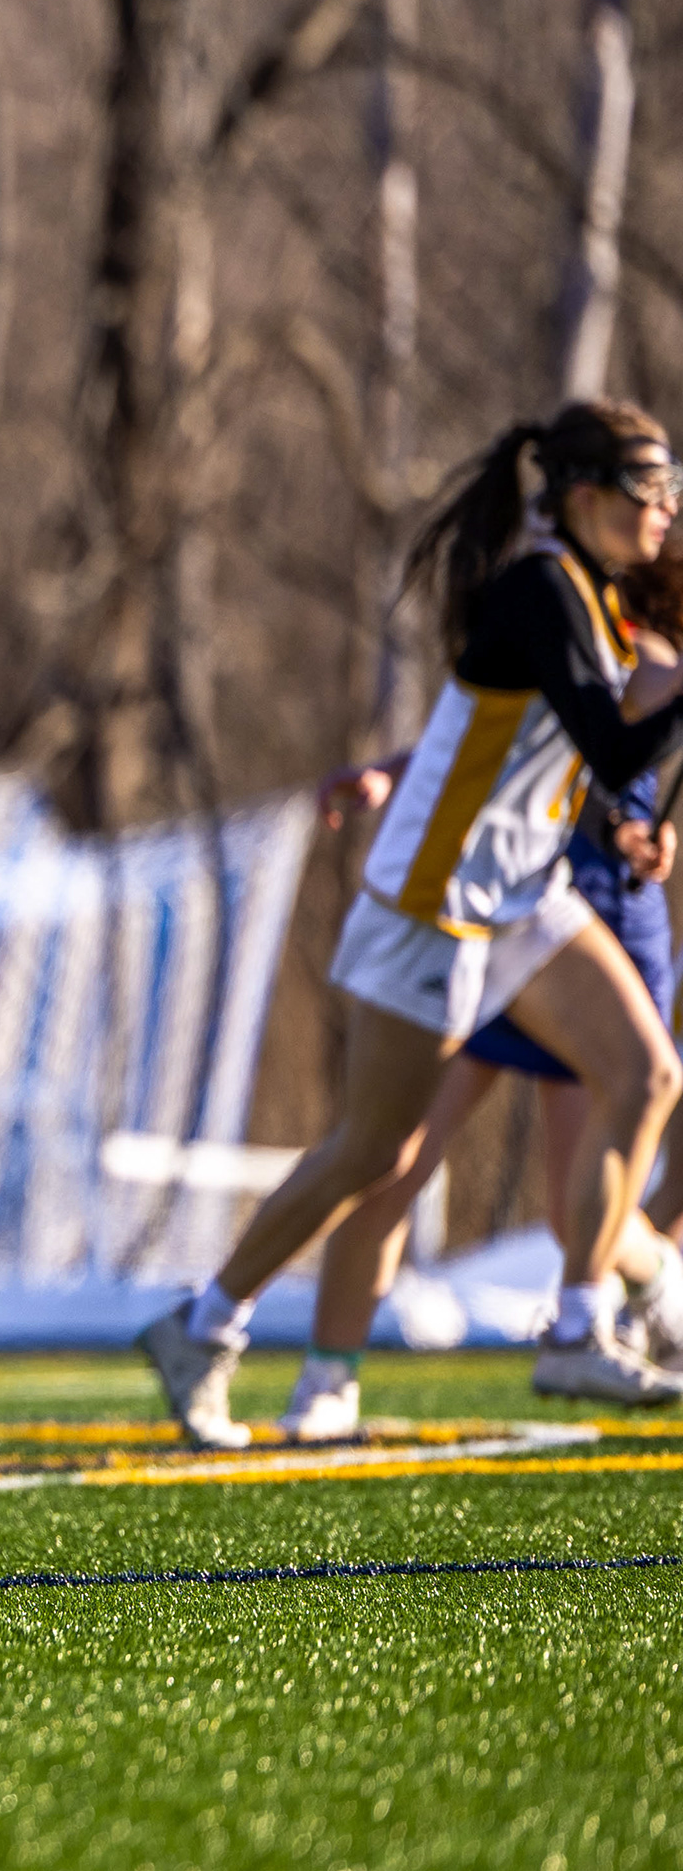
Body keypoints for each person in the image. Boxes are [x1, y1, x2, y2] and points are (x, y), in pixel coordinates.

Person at [141, 401, 683, 1449]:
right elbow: (613, 744)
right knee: (371, 1150)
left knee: (649, 1074)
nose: (666, 510)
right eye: (649, 490)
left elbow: (560, 760)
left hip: (522, 896)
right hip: (434, 900)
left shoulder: (595, 598)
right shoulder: (542, 587)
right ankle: (203, 1324)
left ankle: (580, 1327)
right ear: (583, 496)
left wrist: (621, 826)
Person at [279, 547, 683, 1441]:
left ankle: (648, 1296)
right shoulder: (585, 631)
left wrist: (644, 834)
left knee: (580, 1203)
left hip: (592, 931)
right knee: (396, 1157)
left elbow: (617, 752)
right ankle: (327, 1379)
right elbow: (504, 746)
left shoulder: (646, 655)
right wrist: (394, 771)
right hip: (505, 916)